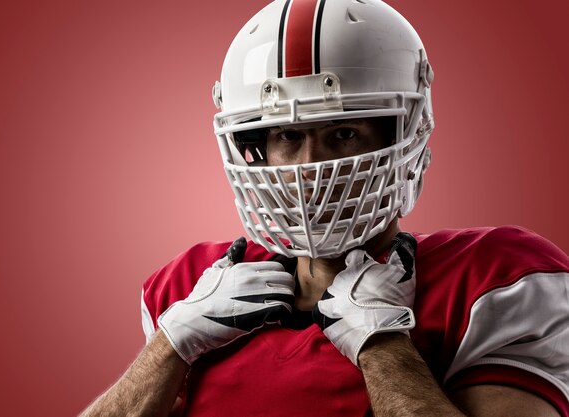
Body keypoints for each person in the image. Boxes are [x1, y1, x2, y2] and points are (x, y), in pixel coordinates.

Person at [80, 0, 569, 415]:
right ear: (257, 148)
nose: (311, 167)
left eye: (343, 133)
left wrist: (381, 344)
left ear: (403, 137)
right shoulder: (189, 284)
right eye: (289, 136)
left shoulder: (491, 278)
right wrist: (171, 346)